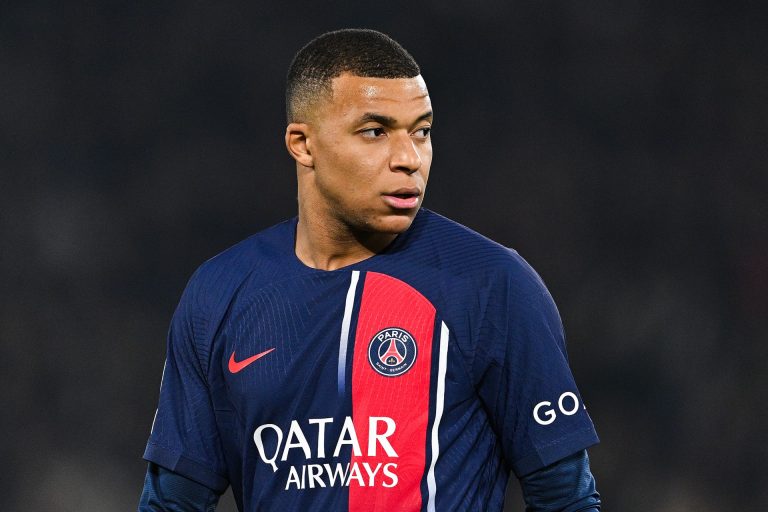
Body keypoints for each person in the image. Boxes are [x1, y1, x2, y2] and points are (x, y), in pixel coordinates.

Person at [139, 28, 601, 511]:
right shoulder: (219, 293)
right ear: (303, 144)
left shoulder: (492, 285)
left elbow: (566, 501)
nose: (409, 159)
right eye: (376, 132)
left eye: (421, 132)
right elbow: (173, 504)